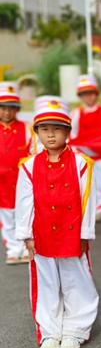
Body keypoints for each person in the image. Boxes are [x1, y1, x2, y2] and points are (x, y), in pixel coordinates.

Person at [15, 96, 98, 348]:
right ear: (37, 132)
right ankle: (50, 329)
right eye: (45, 129)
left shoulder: (82, 163)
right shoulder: (28, 166)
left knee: (76, 279)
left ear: (68, 132)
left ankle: (76, 328)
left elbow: (88, 201)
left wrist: (85, 233)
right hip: (42, 233)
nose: (51, 135)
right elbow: (24, 202)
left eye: (57, 129)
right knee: (46, 281)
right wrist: (26, 235)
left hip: (72, 231)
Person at [71, 75, 101, 221]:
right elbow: (72, 134)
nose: (88, 97)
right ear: (80, 96)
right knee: (84, 184)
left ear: (96, 93)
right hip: (83, 155)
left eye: (90, 93)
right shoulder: (76, 113)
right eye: (84, 94)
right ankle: (87, 209)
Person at [0, 82, 32, 264]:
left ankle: (27, 248)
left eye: (11, 108)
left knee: (25, 216)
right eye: (3, 108)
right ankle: (13, 249)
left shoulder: (27, 128)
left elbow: (35, 152)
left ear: (17, 109)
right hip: (1, 183)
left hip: (22, 182)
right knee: (6, 217)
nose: (6, 112)